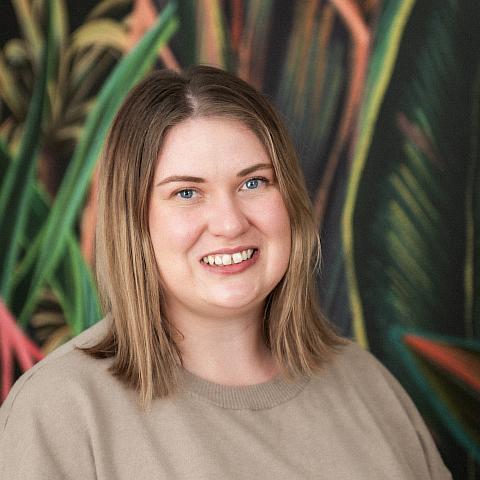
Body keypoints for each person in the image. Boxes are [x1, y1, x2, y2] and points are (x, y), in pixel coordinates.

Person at [0, 66, 451, 479]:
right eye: (186, 193)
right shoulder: (61, 410)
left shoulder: (366, 383)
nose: (231, 223)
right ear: (134, 221)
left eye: (253, 183)